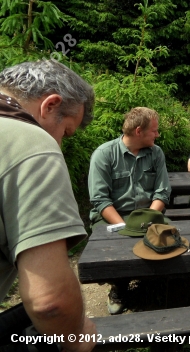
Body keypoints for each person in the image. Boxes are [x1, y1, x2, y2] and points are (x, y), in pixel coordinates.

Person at [0, 59, 96, 351]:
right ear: (50, 106)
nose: (60, 144)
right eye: (65, 132)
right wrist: (76, 339)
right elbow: (50, 303)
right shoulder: (32, 144)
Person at [88, 106, 171, 314]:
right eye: (154, 130)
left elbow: (162, 193)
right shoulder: (104, 154)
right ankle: (119, 287)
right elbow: (100, 200)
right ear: (138, 131)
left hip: (148, 214)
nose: (158, 134)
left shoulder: (156, 153)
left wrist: (148, 220)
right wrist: (125, 227)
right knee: (119, 245)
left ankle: (153, 285)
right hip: (112, 217)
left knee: (169, 241)